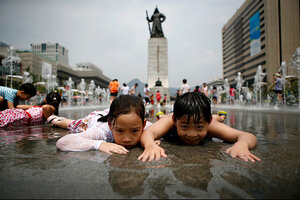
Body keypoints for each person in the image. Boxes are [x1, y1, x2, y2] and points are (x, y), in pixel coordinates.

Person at [138, 92, 261, 163]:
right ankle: (162, 116)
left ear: (208, 122)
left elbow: (247, 135)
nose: (192, 134)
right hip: (169, 117)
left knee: (218, 120)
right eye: (185, 127)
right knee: (163, 119)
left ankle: (219, 117)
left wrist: (242, 144)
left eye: (199, 127)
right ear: (175, 121)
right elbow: (148, 132)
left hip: (209, 119)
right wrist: (150, 145)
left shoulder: (210, 125)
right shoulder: (170, 121)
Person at [56, 95, 153, 154]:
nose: (127, 139)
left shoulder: (142, 124)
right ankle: (54, 119)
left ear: (143, 125)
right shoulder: (102, 131)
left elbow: (163, 127)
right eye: (119, 131)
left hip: (108, 115)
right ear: (111, 125)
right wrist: (100, 144)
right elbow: (62, 142)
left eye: (135, 131)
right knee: (71, 124)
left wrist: (151, 140)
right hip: (91, 120)